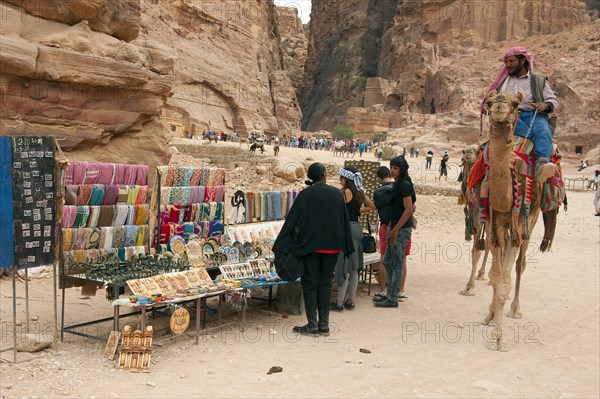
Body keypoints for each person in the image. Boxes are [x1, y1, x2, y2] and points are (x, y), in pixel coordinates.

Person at [272, 163, 354, 336]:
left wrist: (281, 243)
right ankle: (324, 325)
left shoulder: (305, 195)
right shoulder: (336, 194)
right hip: (332, 248)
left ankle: (312, 325)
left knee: (310, 285)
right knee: (325, 285)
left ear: (310, 177)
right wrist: (346, 245)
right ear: (324, 174)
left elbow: (293, 220)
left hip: (310, 248)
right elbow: (343, 220)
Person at [481, 46, 559, 183]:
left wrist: (545, 105)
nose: (508, 65)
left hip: (533, 115)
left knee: (543, 131)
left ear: (522, 60)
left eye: (511, 61)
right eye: (506, 62)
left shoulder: (538, 80)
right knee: (487, 147)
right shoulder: (502, 82)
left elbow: (553, 100)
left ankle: (541, 165)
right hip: (508, 117)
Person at [373, 156, 416, 308]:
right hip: (395, 227)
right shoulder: (398, 184)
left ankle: (392, 298)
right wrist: (391, 227)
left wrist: (396, 228)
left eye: (395, 168)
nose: (392, 170)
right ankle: (390, 293)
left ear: (402, 169)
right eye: (391, 167)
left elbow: (409, 209)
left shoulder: (404, 185)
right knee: (387, 261)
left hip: (402, 229)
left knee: (397, 263)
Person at [331, 166, 375, 311]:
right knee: (354, 267)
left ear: (345, 179)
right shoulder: (360, 192)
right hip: (357, 229)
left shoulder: (343, 192)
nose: (340, 180)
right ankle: (351, 301)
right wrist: (357, 210)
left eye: (341, 178)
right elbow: (371, 206)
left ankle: (339, 302)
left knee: (342, 266)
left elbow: (336, 211)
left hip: (346, 230)